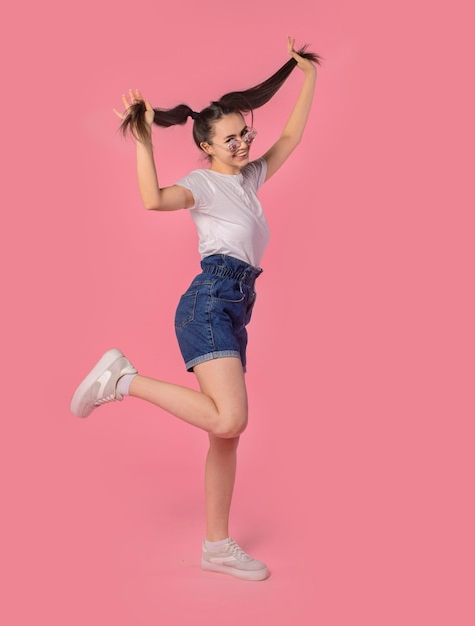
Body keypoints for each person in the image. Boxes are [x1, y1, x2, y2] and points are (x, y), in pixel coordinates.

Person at [70, 37, 320, 581]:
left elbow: (293, 136)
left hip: (235, 305)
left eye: (245, 133)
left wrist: (308, 79)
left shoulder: (251, 180)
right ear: (206, 145)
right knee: (232, 418)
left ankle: (217, 546)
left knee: (225, 434)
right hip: (210, 300)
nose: (243, 142)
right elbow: (153, 199)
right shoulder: (203, 185)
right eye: (230, 137)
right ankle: (124, 380)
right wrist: (143, 141)